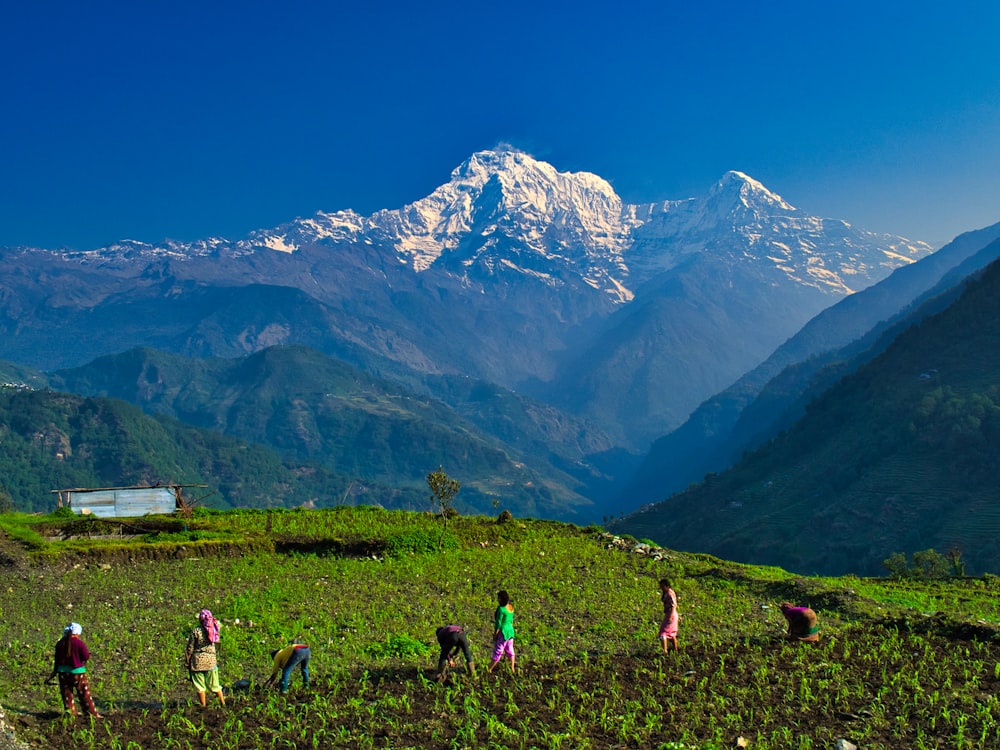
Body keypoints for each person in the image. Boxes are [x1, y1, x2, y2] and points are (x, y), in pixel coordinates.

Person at [48, 622, 102, 719]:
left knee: (67, 694)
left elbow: (57, 659)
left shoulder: (60, 643)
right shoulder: (79, 643)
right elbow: (86, 656)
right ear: (77, 633)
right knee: (84, 693)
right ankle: (91, 714)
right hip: (77, 672)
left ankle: (70, 713)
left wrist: (55, 671)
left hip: (63, 673)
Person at [185, 609, 226, 707]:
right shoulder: (214, 628)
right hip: (211, 661)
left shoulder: (197, 631)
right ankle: (223, 703)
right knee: (215, 685)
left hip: (198, 662)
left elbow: (190, 648)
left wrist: (187, 661)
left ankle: (203, 705)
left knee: (200, 686)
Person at [487, 590, 515, 674]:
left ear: (501, 599)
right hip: (510, 631)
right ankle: (512, 667)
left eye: (498, 598)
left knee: (498, 651)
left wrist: (495, 634)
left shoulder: (501, 609)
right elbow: (511, 620)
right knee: (510, 650)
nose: (497, 600)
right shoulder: (510, 607)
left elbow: (498, 623)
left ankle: (489, 668)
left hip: (503, 632)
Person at [658, 578, 679, 652]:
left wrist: (670, 616)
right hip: (670, 614)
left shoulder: (670, 593)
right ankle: (675, 649)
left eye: (662, 586)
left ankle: (665, 651)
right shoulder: (667, 592)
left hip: (671, 614)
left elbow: (673, 605)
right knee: (671, 633)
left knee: (663, 632)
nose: (661, 588)